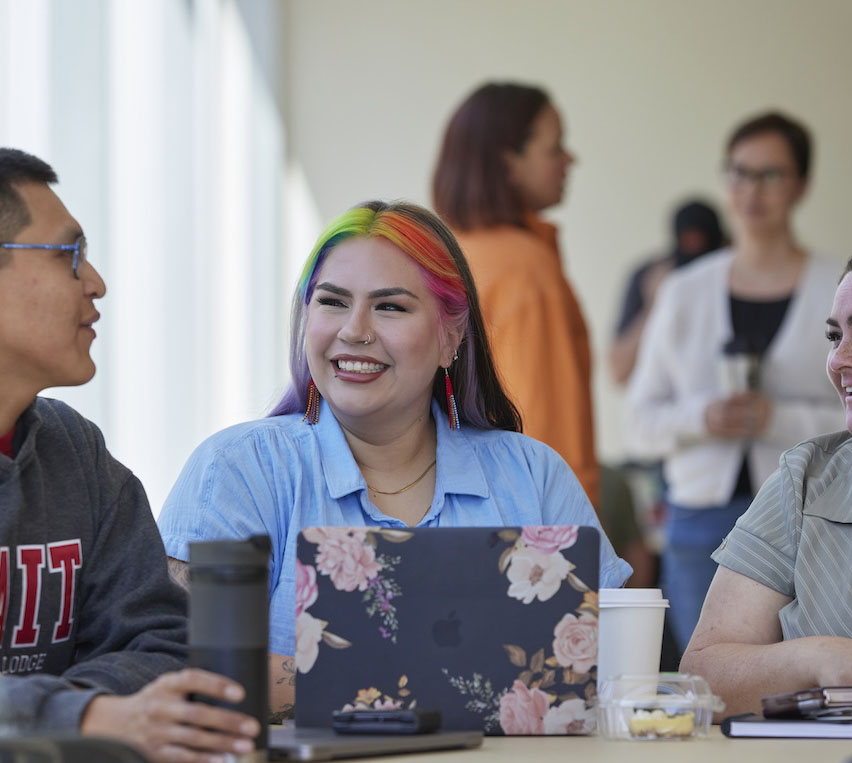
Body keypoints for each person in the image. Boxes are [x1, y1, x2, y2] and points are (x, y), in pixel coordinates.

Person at [158, 201, 632, 719]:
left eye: (390, 307)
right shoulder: (236, 470)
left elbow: (613, 674)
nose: (355, 330)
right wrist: (436, 679)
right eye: (333, 302)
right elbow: (182, 670)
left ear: (451, 336)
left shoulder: (533, 475)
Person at [0, 148, 258, 763]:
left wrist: (46, 717)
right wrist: (88, 717)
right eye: (68, 255)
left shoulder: (74, 451)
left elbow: (167, 645)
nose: (97, 283)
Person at [682, 228, 852, 718]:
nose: (838, 360)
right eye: (834, 336)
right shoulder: (805, 478)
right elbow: (703, 678)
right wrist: (815, 658)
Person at [625, 112, 845, 652]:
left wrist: (780, 420)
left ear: (802, 185)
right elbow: (638, 425)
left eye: (770, 174)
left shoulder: (840, 286)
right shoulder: (684, 290)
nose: (751, 190)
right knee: (713, 687)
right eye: (739, 173)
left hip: (816, 517)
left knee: (806, 683)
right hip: (699, 521)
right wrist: (702, 417)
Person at [431, 82, 600, 509]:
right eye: (555, 147)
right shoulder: (524, 267)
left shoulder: (439, 250)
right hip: (530, 516)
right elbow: (549, 422)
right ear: (508, 161)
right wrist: (579, 528)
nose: (570, 159)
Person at [609, 200, 726, 385]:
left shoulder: (737, 274)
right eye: (688, 239)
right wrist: (655, 303)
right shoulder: (654, 278)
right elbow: (618, 372)